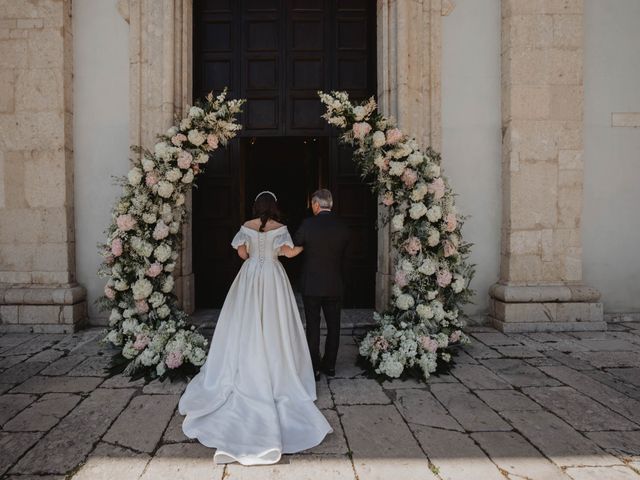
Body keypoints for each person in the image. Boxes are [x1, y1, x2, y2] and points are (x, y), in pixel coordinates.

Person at [178, 191, 333, 466]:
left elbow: (242, 253)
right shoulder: (282, 229)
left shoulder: (246, 227)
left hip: (250, 276)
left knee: (244, 320)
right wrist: (303, 247)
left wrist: (253, 252)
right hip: (273, 277)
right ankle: (278, 368)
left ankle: (247, 361)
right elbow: (288, 253)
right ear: (274, 206)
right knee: (277, 323)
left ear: (256, 206)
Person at [280, 189, 350, 381]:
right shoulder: (342, 226)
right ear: (331, 204)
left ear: (316, 205)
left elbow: (294, 245)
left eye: (312, 204)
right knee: (334, 326)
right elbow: (346, 256)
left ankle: (314, 368)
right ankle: (330, 366)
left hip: (311, 284)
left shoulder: (308, 224)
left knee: (313, 326)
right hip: (335, 283)